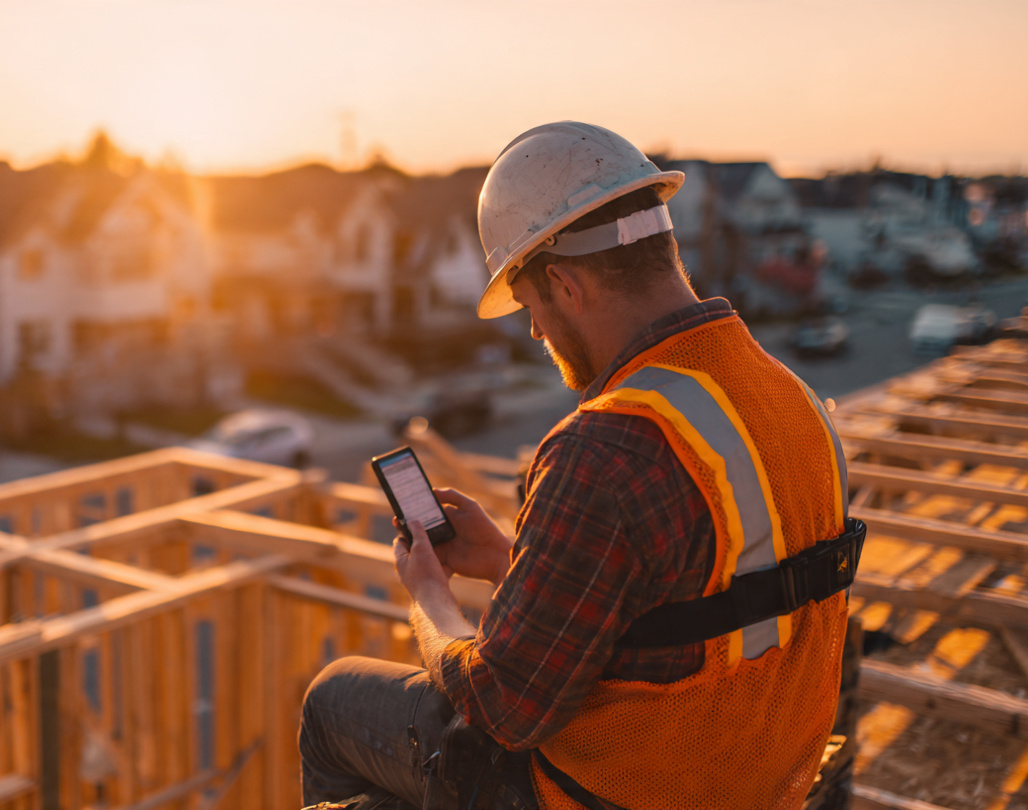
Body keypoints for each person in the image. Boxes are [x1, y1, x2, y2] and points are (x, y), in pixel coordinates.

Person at [298, 122, 863, 810]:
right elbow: (702, 606)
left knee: (332, 703)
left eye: (530, 306)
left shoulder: (604, 447)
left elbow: (501, 707)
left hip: (613, 791)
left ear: (565, 285)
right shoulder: (794, 401)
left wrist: (429, 594)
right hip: (751, 780)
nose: (534, 331)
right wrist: (516, 562)